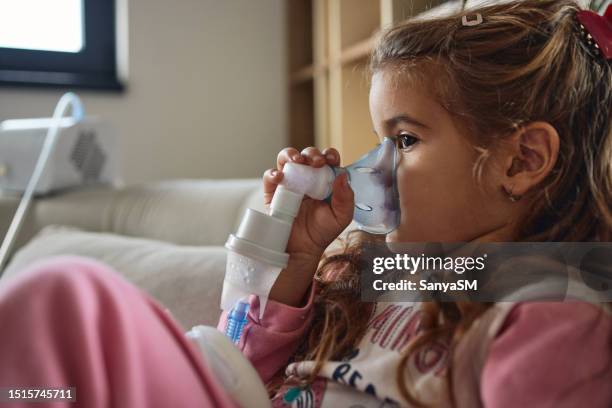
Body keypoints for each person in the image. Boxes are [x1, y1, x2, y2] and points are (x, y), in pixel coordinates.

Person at [0, 0, 610, 407]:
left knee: (64, 298)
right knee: (59, 306)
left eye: (404, 139)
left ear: (522, 160)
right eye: (380, 140)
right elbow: (245, 363)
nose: (374, 167)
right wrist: (291, 253)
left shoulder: (550, 315)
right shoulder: (388, 271)